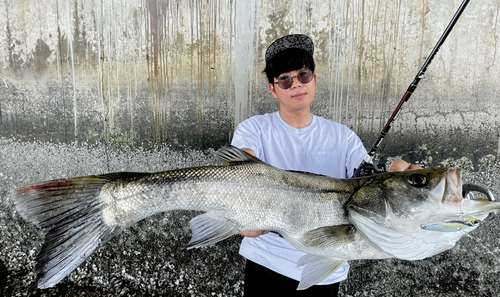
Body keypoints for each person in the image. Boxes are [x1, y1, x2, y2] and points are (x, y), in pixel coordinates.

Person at [231, 34, 421, 296]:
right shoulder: (254, 128)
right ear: (273, 89)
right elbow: (241, 171)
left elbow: (369, 188)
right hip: (268, 260)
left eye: (303, 75)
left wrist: (403, 184)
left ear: (315, 80)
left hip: (327, 266)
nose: (296, 84)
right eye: (285, 79)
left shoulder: (343, 136)